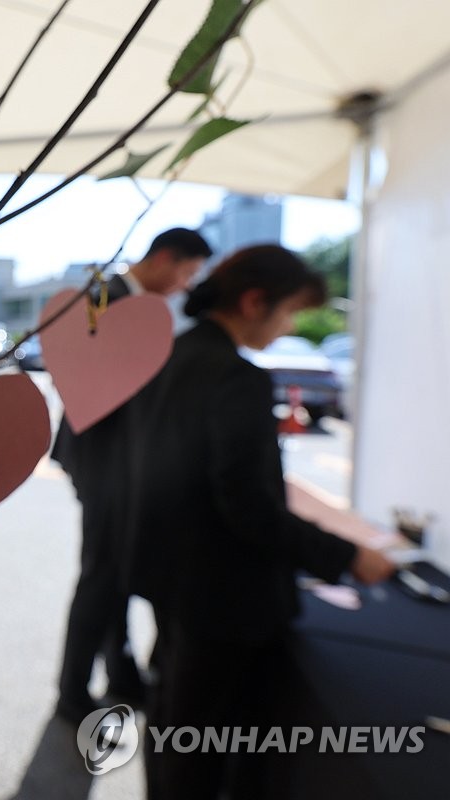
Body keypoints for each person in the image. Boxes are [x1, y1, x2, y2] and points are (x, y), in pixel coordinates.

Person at [125, 244, 395, 799]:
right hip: (222, 595)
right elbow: (248, 505)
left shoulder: (173, 354)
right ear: (254, 302)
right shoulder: (236, 377)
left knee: (174, 719)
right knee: (204, 741)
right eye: (291, 311)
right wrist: (347, 556)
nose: (290, 325)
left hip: (171, 575)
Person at [50, 227, 213, 724]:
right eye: (186, 273)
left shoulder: (137, 304)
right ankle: (72, 692)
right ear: (164, 259)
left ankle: (119, 675)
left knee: (116, 572)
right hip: (105, 462)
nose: (186, 286)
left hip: (127, 462)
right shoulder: (101, 299)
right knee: (103, 575)